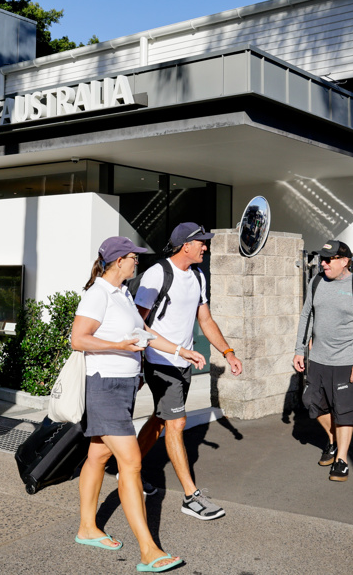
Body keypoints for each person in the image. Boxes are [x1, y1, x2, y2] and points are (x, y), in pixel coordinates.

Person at [72, 236, 203, 573]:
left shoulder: (124, 294)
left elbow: (144, 331)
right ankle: (149, 551)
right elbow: (78, 338)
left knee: (98, 454)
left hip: (125, 385)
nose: (137, 263)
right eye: (133, 257)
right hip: (105, 386)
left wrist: (180, 351)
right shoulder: (97, 294)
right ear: (118, 261)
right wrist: (118, 345)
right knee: (130, 462)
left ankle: (87, 528)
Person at [133, 222, 242, 519]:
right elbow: (137, 322)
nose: (205, 247)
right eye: (202, 243)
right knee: (176, 424)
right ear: (185, 246)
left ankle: (129, 469)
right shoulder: (157, 274)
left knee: (160, 420)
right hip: (161, 362)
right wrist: (153, 358)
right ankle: (190, 497)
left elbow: (205, 321)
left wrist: (228, 352)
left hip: (183, 365)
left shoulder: (197, 276)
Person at [292, 240, 353, 483]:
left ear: (344, 261)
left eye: (329, 259)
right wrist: (300, 349)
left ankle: (341, 459)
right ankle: (332, 439)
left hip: (346, 361)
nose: (323, 263)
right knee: (312, 403)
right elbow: (307, 314)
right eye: (322, 258)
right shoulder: (316, 281)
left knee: (344, 412)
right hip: (318, 358)